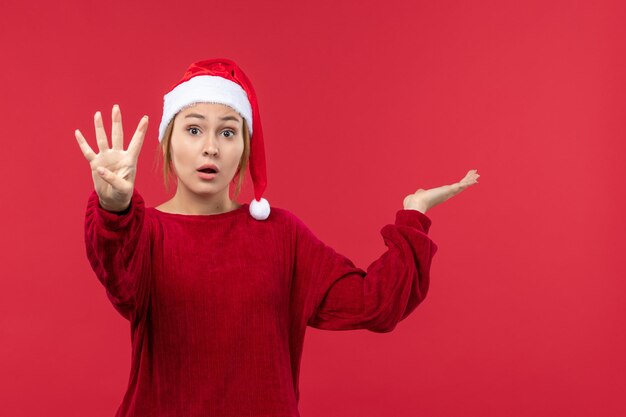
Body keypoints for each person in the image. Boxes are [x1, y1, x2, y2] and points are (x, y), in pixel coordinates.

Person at [75, 58, 479, 417]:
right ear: (168, 141)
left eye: (228, 133)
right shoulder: (143, 232)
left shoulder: (280, 236)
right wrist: (114, 206)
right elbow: (120, 278)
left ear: (246, 148)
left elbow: (375, 304)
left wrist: (414, 215)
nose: (211, 148)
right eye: (194, 129)